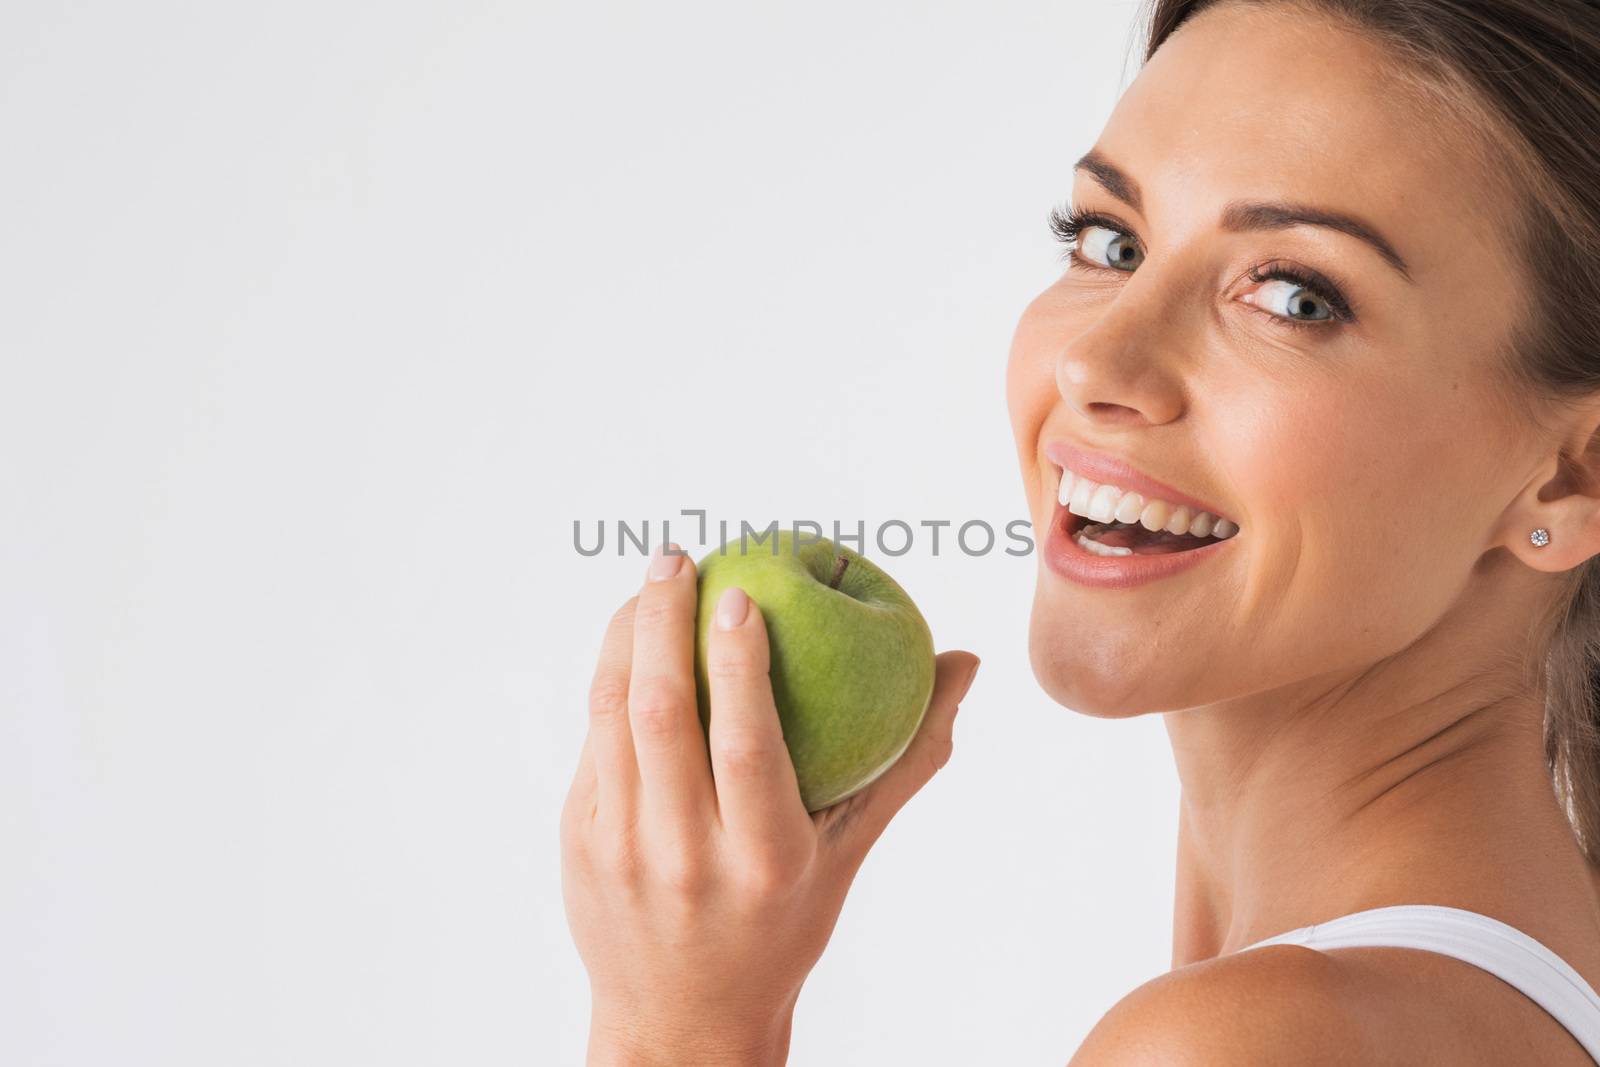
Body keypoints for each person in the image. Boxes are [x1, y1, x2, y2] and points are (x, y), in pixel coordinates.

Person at [559, 1, 1600, 1061]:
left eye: (1294, 296)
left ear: (1572, 474)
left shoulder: (1249, 1041)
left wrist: (678, 1020)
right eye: (1111, 240)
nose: (1095, 365)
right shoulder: (1527, 960)